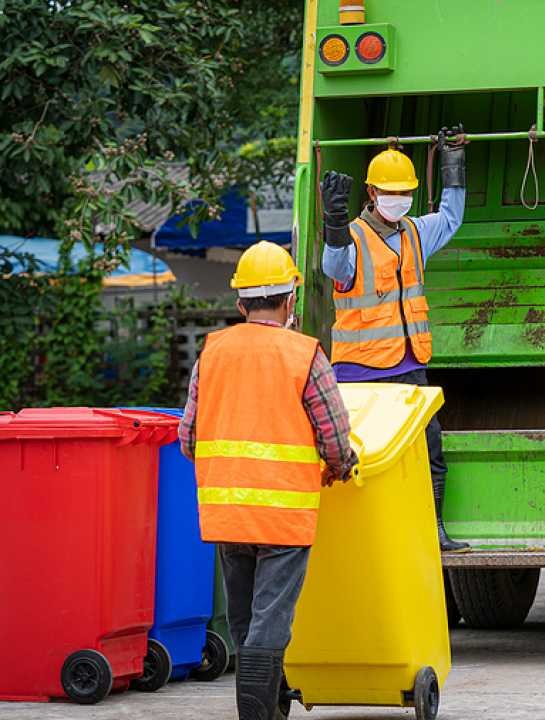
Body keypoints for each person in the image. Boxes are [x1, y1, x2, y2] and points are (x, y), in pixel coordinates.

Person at [179, 241, 359, 720]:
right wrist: (341, 465)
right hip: (282, 515)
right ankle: (258, 713)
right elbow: (335, 435)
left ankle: (270, 703)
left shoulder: (211, 354)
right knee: (270, 617)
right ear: (290, 300)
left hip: (226, 511)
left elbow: (188, 436)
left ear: (241, 304)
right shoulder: (304, 355)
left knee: (244, 616)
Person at [318, 125, 469, 552]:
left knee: (429, 452)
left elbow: (452, 217)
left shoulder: (416, 233)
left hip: (408, 369)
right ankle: (363, 539)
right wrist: (332, 224)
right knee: (363, 460)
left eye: (405, 191)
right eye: (390, 191)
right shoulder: (352, 239)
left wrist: (453, 163)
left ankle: (434, 530)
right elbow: (335, 269)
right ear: (371, 191)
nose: (398, 198)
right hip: (360, 375)